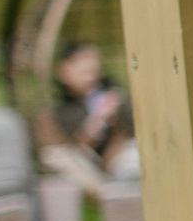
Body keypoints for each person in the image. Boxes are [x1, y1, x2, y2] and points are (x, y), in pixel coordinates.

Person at [49, 39, 134, 175]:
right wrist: (98, 120)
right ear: (63, 71)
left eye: (91, 60)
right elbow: (72, 150)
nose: (89, 65)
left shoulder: (114, 95)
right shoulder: (59, 112)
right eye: (80, 61)